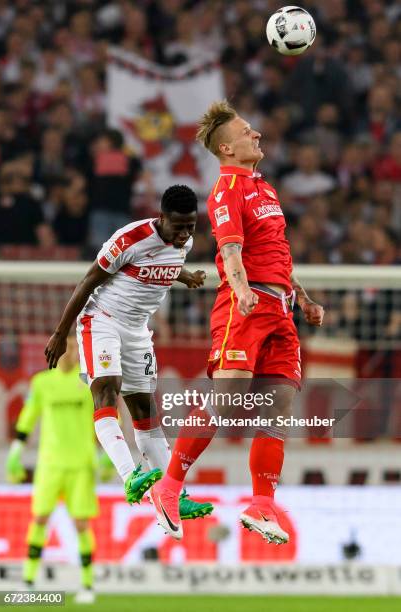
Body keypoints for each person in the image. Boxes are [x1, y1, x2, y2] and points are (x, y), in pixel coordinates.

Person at [150, 101, 324, 541]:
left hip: (280, 309)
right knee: (226, 400)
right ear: (226, 147)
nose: (257, 135)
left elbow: (276, 253)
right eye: (248, 132)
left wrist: (301, 297)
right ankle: (169, 487)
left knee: (280, 406)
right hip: (243, 307)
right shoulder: (226, 191)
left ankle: (262, 505)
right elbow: (230, 250)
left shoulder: (265, 189)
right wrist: (243, 289)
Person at [45, 184, 213, 522]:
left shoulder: (184, 242)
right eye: (178, 226)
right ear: (161, 217)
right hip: (102, 319)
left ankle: (173, 494)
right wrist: (61, 334)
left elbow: (161, 265)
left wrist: (185, 276)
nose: (184, 235)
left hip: (138, 331)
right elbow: (88, 281)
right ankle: (130, 475)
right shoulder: (130, 238)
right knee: (107, 389)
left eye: (190, 227)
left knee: (144, 411)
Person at [6, 337, 100, 604]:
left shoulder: (88, 384)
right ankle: (27, 581)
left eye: (76, 349)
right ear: (58, 351)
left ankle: (88, 585)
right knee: (39, 519)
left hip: (81, 463)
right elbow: (27, 417)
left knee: (81, 524)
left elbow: (106, 417)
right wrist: (15, 453)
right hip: (49, 463)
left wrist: (106, 457)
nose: (74, 353)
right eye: (70, 348)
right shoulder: (42, 383)